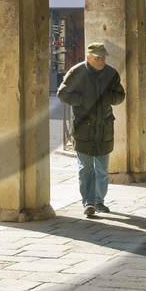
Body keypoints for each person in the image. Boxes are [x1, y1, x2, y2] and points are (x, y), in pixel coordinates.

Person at [56, 41, 126, 218]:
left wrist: (109, 98)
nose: (101, 61)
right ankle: (88, 202)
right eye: (97, 58)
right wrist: (82, 99)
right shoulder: (76, 72)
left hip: (104, 127)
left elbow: (120, 95)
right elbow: (62, 94)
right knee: (85, 168)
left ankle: (99, 201)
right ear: (88, 58)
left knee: (102, 169)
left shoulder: (111, 73)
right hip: (83, 128)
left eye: (103, 58)